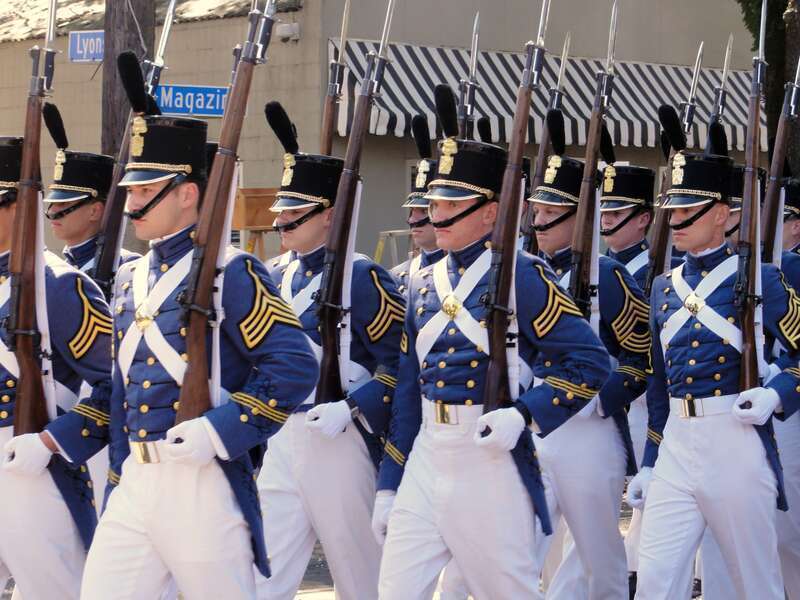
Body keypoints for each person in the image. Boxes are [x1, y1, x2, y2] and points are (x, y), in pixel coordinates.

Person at [47, 114, 318, 599]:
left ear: (187, 193)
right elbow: (120, 388)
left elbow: (294, 367)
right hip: (135, 478)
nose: (131, 203)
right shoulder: (131, 278)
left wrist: (217, 431)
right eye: (130, 190)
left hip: (202, 483)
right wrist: (78, 450)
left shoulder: (232, 271)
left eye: (145, 190)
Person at [372, 133, 611, 599]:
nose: (436, 215)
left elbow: (588, 361)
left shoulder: (524, 274)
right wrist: (389, 483)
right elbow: (407, 392)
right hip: (426, 454)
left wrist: (523, 415)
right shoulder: (423, 280)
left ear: (489, 211)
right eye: (435, 203)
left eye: (451, 204)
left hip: (489, 458)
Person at [630, 151, 800, 599]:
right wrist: (649, 461)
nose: (676, 220)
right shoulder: (663, 288)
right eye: (672, 210)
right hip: (676, 442)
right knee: (654, 579)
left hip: (737, 437)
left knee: (755, 582)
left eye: (687, 210)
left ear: (722, 214)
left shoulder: (762, 280)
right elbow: (658, 386)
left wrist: (777, 393)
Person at [257, 102, 405, 600]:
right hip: (281, 433)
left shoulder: (362, 277)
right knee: (262, 572)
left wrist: (354, 406)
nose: (281, 223)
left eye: (294, 213)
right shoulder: (275, 275)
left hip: (339, 436)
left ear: (329, 215)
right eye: (281, 212)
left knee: (360, 575)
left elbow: (400, 364)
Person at [529, 155, 652, 599]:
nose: (538, 222)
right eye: (536, 211)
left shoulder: (608, 276)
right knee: (517, 548)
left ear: (578, 216)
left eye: (550, 212)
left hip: (589, 429)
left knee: (598, 563)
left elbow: (642, 357)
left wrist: (601, 401)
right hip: (535, 423)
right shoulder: (530, 272)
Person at [0, 135, 113, 599]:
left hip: (31, 466)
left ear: (19, 206)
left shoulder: (61, 286)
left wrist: (52, 442)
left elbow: (114, 388)